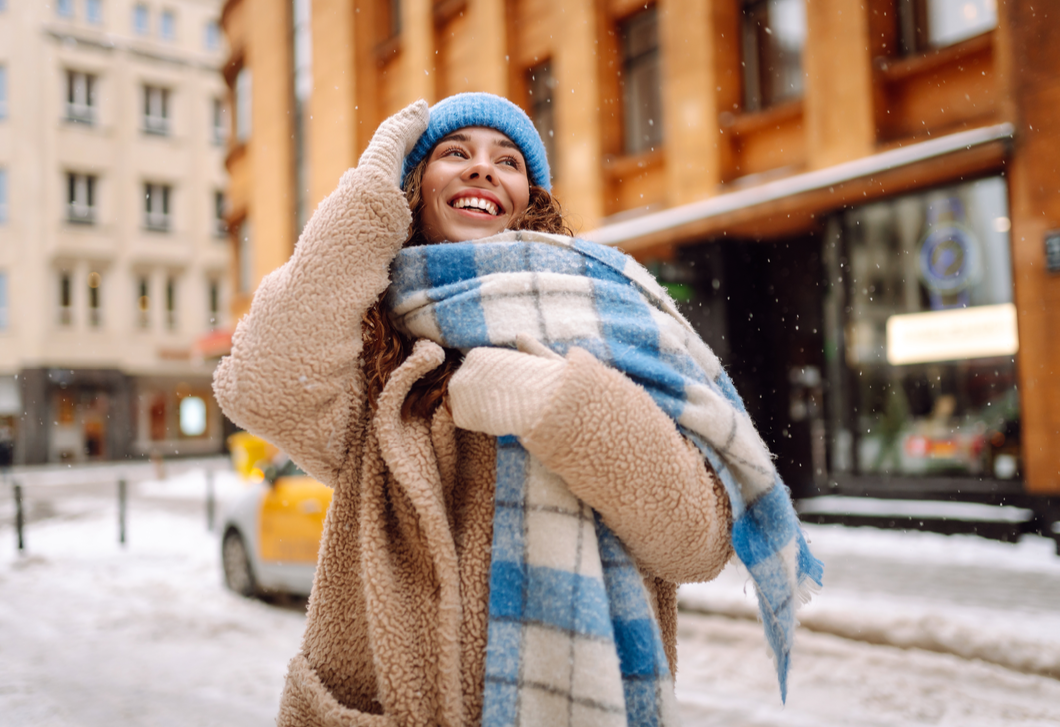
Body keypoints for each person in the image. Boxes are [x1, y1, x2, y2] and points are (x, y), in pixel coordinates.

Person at [214, 93, 819, 727]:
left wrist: (559, 403)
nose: (482, 169)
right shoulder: (375, 359)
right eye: (455, 154)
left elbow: (695, 543)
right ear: (413, 189)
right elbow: (264, 379)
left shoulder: (611, 321)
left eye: (508, 161)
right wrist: (367, 193)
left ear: (531, 200)